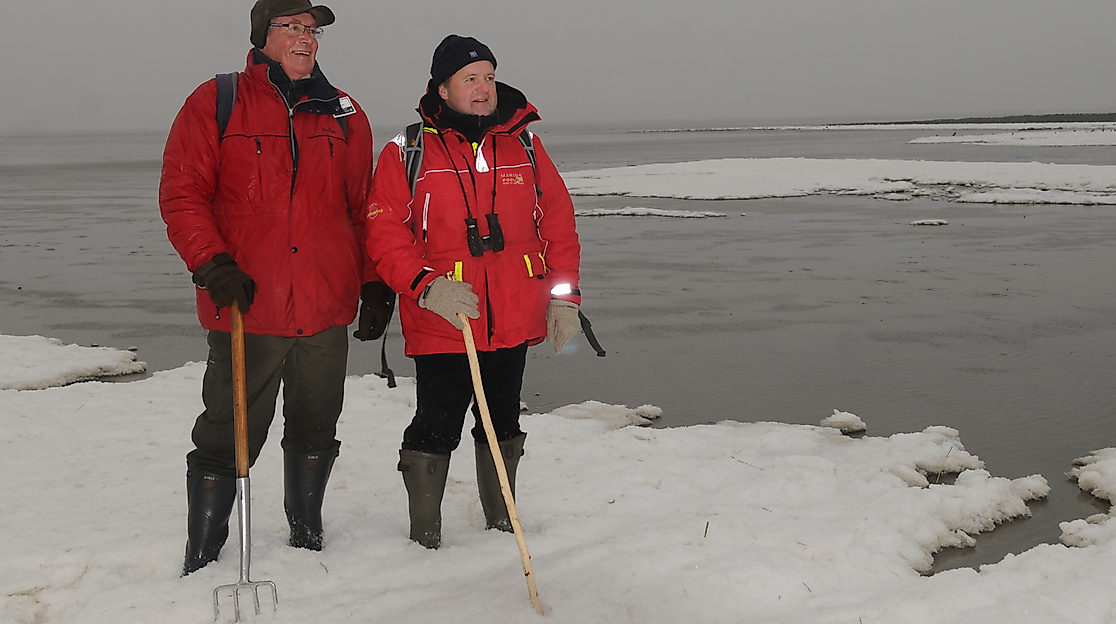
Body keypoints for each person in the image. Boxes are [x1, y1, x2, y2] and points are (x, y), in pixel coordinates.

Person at [159, 0, 393, 576]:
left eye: (311, 30)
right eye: (292, 27)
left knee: (317, 422)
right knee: (228, 429)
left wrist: (374, 282)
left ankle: (305, 530)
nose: (305, 39)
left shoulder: (345, 113)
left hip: (323, 306)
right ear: (264, 35)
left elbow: (364, 208)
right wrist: (212, 263)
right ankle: (206, 551)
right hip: (248, 304)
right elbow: (182, 193)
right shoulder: (216, 101)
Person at [364, 35, 582, 549]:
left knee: (502, 417)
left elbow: (559, 224)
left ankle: (502, 524)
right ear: (442, 88)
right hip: (444, 317)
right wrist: (425, 286)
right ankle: (425, 537)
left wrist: (564, 298)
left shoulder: (524, 145)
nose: (482, 88)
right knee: (437, 422)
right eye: (469, 78)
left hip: (512, 314)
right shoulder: (407, 151)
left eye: (488, 76)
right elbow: (383, 231)